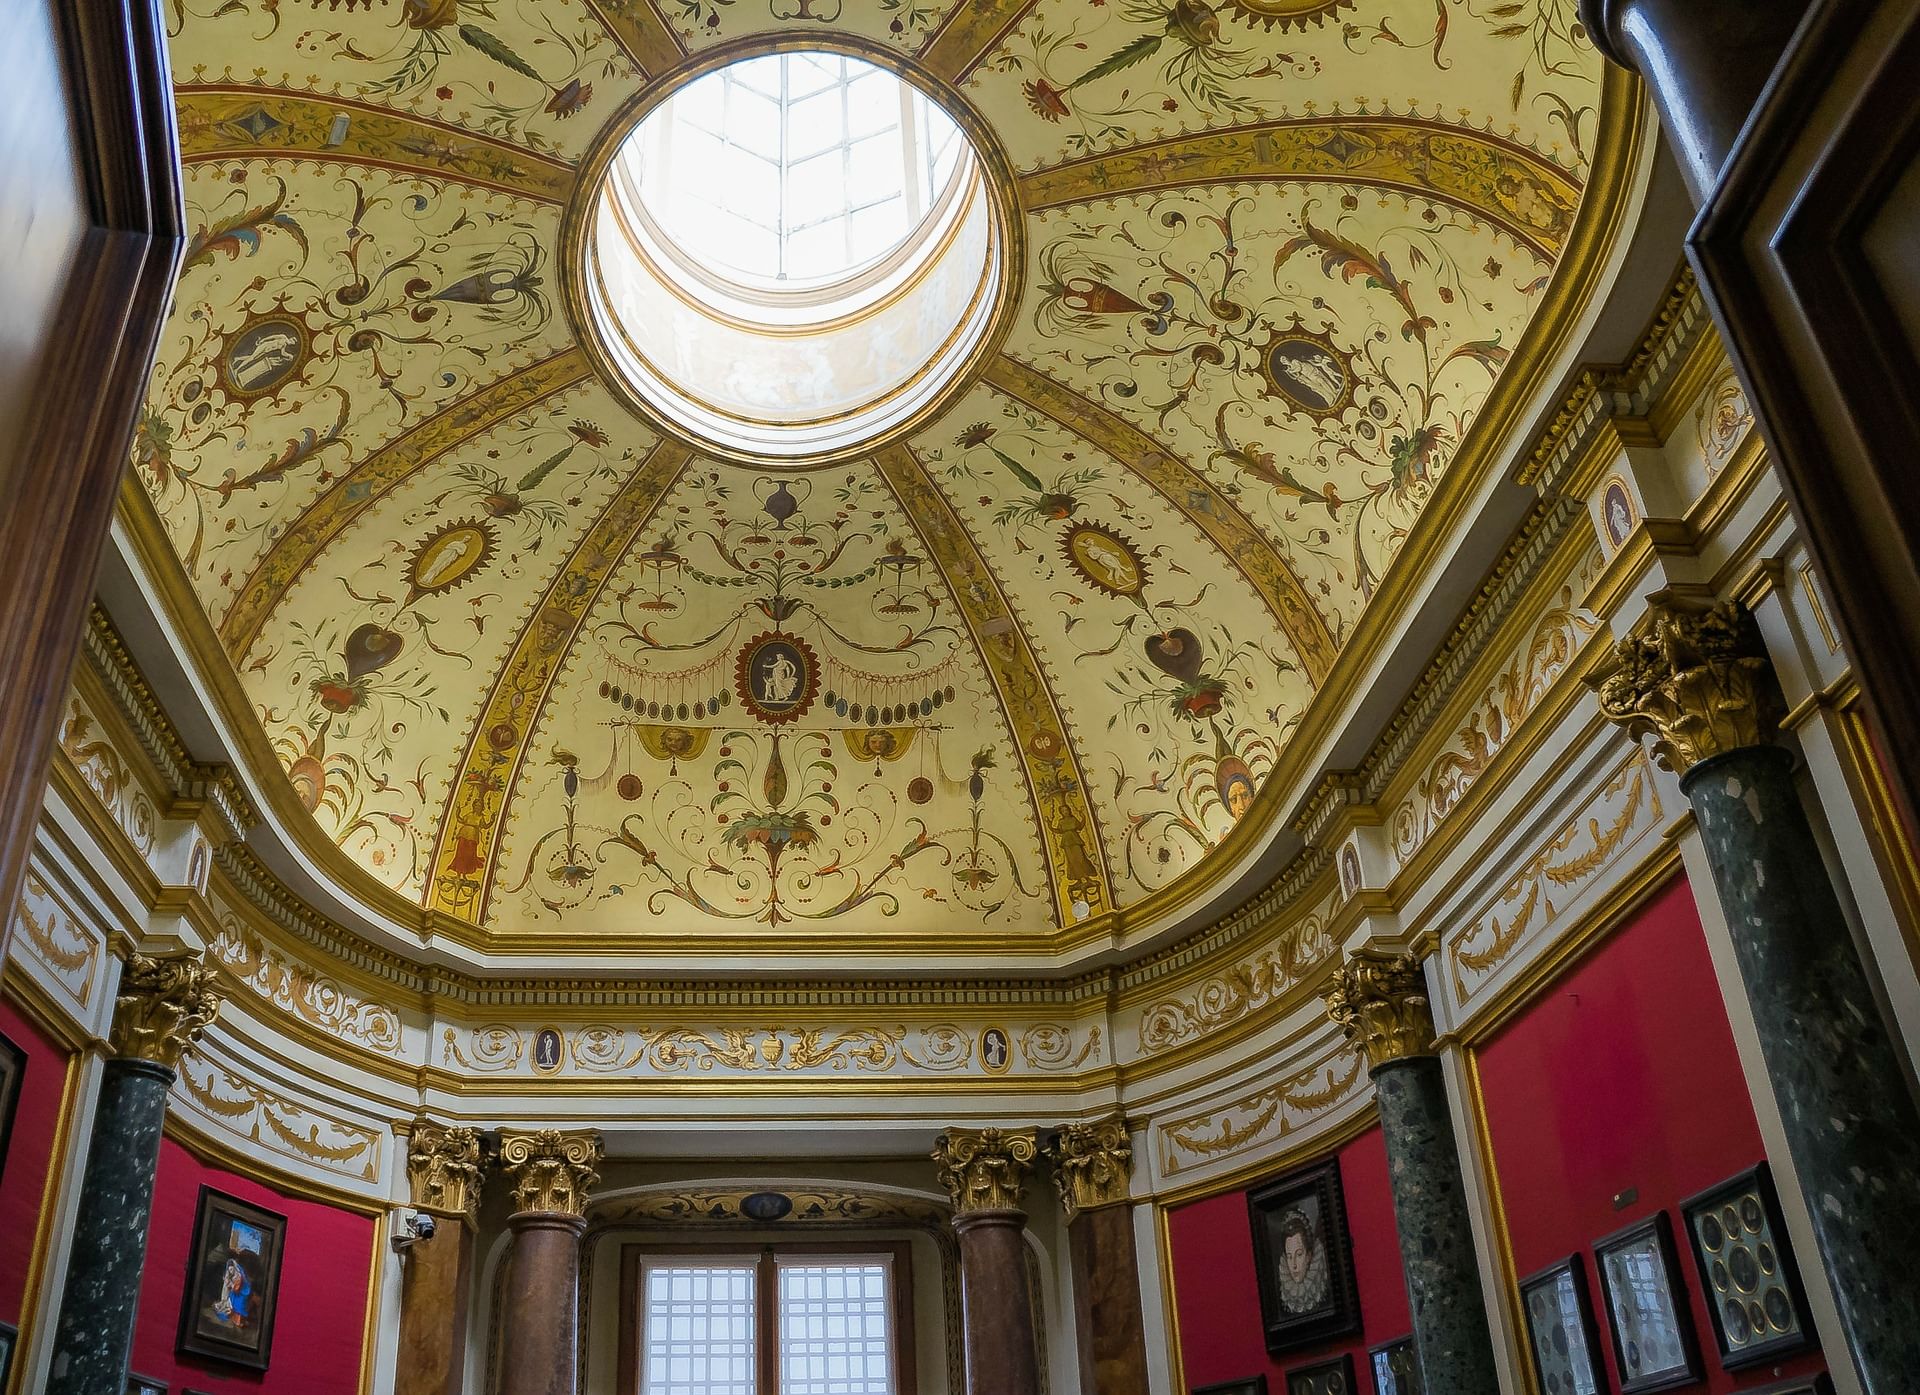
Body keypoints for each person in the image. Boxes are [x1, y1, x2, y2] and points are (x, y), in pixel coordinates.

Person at [1276, 1208, 1329, 1314]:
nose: (1294, 1265)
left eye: (1299, 1254)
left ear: (1309, 1256)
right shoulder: (1282, 1300)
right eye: (1290, 1257)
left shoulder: (1324, 1286)